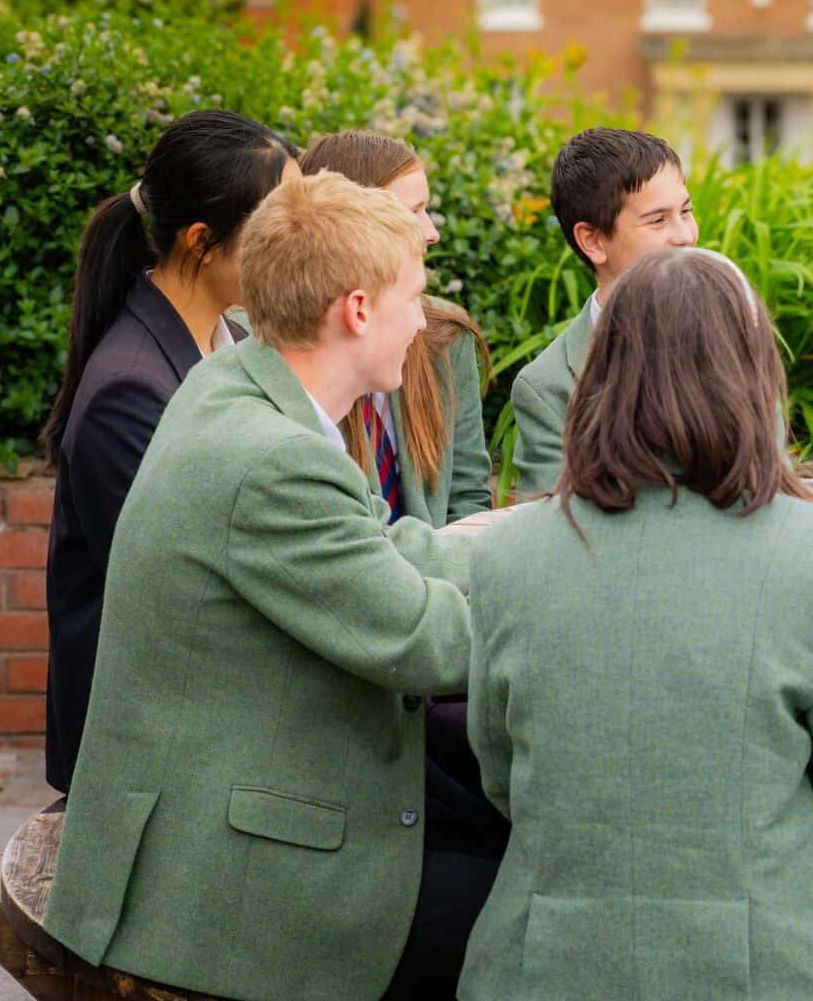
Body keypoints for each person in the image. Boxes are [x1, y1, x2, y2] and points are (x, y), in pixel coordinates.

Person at [43, 172, 487, 1001]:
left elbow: (382, 545)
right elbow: (429, 644)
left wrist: (516, 551)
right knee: (528, 919)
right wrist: (577, 598)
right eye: (415, 298)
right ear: (357, 309)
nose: (423, 321)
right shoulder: (274, 458)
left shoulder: (240, 378)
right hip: (220, 880)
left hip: (217, 810)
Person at [461, 248, 813, 998]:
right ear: (750, 372)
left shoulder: (505, 555)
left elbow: (503, 776)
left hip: (549, 962)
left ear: (602, 371)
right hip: (775, 959)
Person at [38, 109, 297, 793]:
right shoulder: (131, 389)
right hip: (145, 749)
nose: (298, 241)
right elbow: (182, 588)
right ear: (201, 241)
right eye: (278, 223)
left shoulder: (231, 341)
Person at [300, 130, 494, 526]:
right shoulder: (290, 345)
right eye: (413, 213)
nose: (432, 232)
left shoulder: (443, 334)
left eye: (428, 211)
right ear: (351, 226)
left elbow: (467, 496)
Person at [508, 127, 696, 497]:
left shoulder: (734, 338)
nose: (685, 235)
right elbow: (552, 527)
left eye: (686, 212)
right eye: (658, 220)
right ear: (592, 241)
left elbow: (768, 489)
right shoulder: (549, 387)